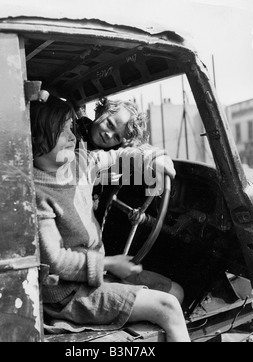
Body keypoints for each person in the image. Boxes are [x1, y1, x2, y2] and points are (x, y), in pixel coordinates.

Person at [31, 95, 190, 342]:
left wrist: (155, 156)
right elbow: (55, 260)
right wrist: (109, 264)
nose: (73, 138)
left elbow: (119, 157)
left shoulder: (80, 163)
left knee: (174, 291)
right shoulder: (36, 192)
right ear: (38, 139)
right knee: (168, 307)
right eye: (63, 132)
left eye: (71, 129)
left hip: (92, 276)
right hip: (67, 293)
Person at [75, 97, 149, 151]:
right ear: (101, 112)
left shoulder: (109, 160)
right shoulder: (71, 131)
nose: (109, 135)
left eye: (117, 137)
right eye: (110, 124)